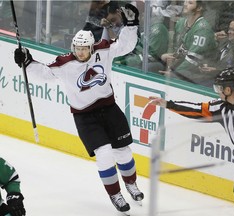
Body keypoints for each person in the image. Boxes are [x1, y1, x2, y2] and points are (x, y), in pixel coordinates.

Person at [13, 4, 143, 215]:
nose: (80, 52)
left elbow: (126, 45)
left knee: (123, 151)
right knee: (104, 154)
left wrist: (132, 24)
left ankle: (131, 183)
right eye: (77, 48)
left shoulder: (104, 49)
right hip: (85, 117)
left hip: (109, 108)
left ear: (92, 47)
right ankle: (115, 193)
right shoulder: (66, 63)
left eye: (83, 49)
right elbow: (45, 73)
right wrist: (27, 61)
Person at [149, 67, 234, 216]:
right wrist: (167, 104)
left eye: (220, 88)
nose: (217, 91)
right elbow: (197, 110)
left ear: (229, 89)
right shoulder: (221, 106)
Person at [160, 0, 217, 85]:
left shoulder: (203, 29)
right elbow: (177, 48)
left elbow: (193, 60)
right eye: (185, 2)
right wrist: (166, 57)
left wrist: (173, 72)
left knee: (173, 76)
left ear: (199, 8)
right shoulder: (181, 22)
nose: (185, 4)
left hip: (199, 71)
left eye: (190, 3)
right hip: (182, 65)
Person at [199, 17, 234, 83]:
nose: (229, 32)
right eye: (229, 29)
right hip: (211, 78)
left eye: (232, 30)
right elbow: (211, 55)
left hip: (225, 82)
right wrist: (205, 63)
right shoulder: (226, 42)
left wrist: (217, 71)